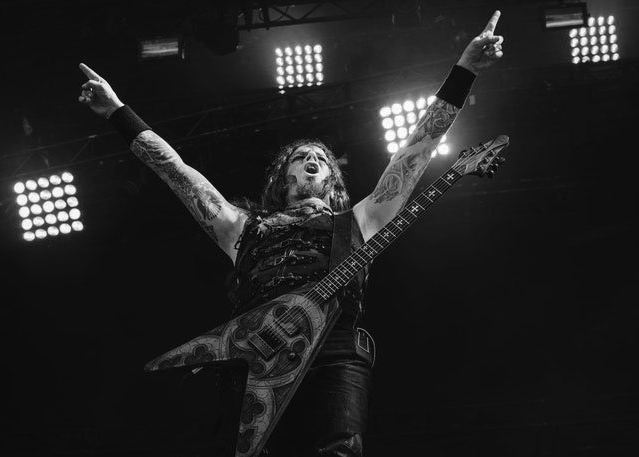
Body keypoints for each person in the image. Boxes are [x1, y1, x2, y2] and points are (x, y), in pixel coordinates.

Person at [78, 10, 504, 457]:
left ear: (332, 178)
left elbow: (415, 151)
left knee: (338, 450)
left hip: (334, 351)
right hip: (253, 353)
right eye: (301, 156)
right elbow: (177, 172)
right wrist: (116, 112)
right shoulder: (242, 227)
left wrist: (465, 70)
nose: (312, 159)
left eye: (320, 157)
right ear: (285, 176)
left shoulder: (360, 220)